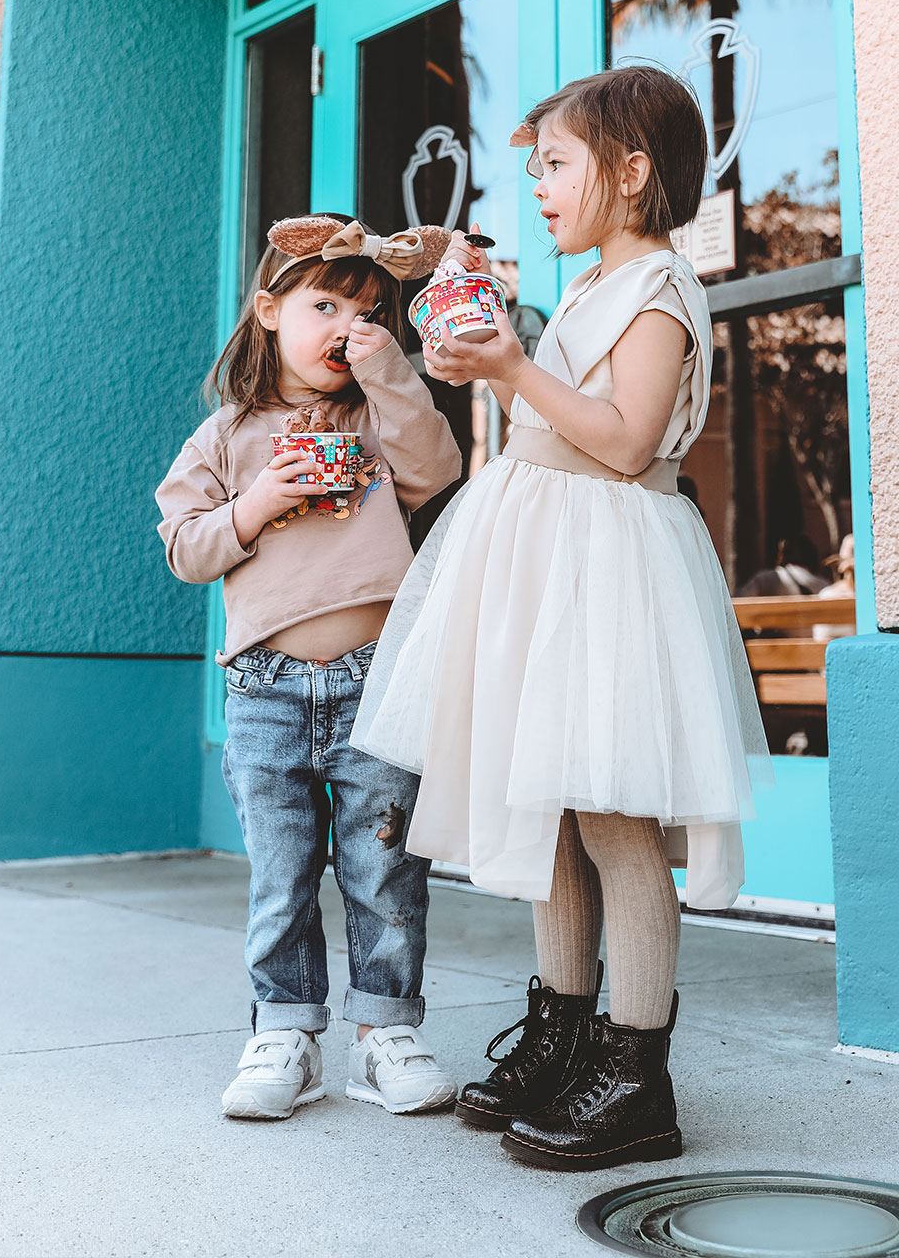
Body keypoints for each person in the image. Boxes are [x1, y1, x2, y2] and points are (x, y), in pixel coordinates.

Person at [352, 66, 769, 1171]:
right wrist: (487, 356)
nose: (536, 184)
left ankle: (636, 1071)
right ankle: (563, 1033)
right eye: (534, 165)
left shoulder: (661, 289)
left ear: (630, 174)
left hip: (611, 559)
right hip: (549, 556)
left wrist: (513, 366)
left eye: (556, 163)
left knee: (616, 817)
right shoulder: (588, 287)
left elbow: (626, 439)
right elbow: (551, 416)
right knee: (552, 812)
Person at [155, 215, 465, 1125]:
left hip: (379, 679)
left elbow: (436, 466)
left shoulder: (377, 416)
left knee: (385, 866)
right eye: (323, 304)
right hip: (266, 690)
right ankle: (285, 1030)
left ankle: (385, 1035)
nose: (342, 326)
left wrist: (391, 370)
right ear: (267, 310)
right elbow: (185, 548)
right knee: (281, 871)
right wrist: (252, 506)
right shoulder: (223, 437)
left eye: (366, 312)